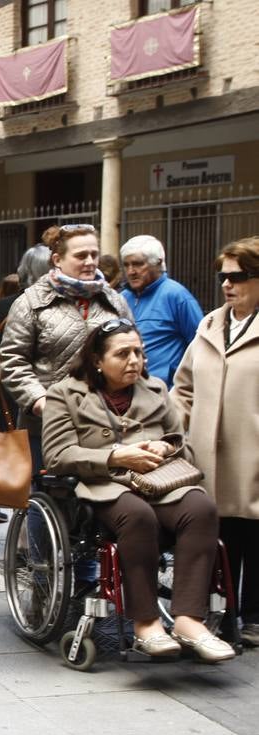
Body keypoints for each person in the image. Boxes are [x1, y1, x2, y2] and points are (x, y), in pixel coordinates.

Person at [43, 320, 233, 662]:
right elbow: (57, 455)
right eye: (122, 353)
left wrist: (165, 448)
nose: (134, 360)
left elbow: (182, 446)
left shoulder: (156, 389)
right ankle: (146, 623)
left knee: (201, 507)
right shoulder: (64, 394)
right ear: (97, 361)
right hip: (103, 486)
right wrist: (115, 456)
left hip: (159, 482)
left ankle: (189, 620)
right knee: (137, 516)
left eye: (138, 352)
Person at [172, 237, 259, 647]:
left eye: (237, 276)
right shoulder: (210, 324)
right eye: (223, 276)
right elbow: (184, 387)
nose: (227, 284)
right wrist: (174, 431)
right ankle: (220, 612)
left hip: (252, 451)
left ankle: (254, 616)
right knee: (217, 533)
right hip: (207, 452)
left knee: (253, 533)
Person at [0, 224, 131, 472]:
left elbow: (133, 352)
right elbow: (12, 360)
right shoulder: (31, 301)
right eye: (81, 256)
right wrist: (39, 400)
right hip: (48, 425)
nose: (91, 261)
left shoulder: (114, 300)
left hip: (106, 420)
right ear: (57, 259)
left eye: (94, 254)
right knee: (49, 497)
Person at [119, 234, 203, 388]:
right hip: (128, 391)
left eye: (138, 264)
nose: (131, 271)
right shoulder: (121, 299)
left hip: (165, 393)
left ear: (158, 264)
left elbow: (200, 346)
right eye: (126, 265)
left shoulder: (177, 296)